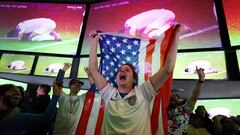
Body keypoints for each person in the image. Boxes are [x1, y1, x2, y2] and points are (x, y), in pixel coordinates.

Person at [88, 24, 183, 134]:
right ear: (116, 79)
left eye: (127, 70)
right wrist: (94, 42)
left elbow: (167, 70)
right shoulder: (109, 93)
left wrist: (176, 35)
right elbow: (93, 71)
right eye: (120, 70)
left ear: (134, 80)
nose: (122, 71)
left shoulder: (143, 92)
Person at [168, 67, 205, 135]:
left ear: (179, 100)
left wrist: (201, 80)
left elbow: (194, 97)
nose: (172, 96)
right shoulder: (160, 111)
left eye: (174, 96)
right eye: (169, 96)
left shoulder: (185, 110)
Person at [53, 63, 86, 135]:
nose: (78, 86)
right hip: (58, 132)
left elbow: (93, 88)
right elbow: (57, 83)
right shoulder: (63, 96)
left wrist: (90, 75)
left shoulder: (82, 98)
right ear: (70, 86)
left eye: (79, 85)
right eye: (76, 84)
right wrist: (64, 69)